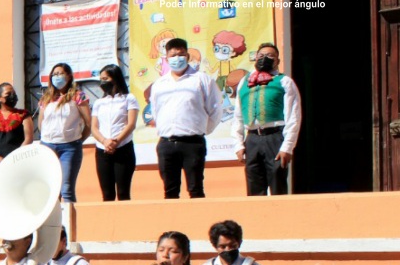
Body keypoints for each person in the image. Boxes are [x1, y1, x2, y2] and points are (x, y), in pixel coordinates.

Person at [150, 37, 222, 199]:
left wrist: (203, 130)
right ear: (167, 58)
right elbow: (156, 110)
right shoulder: (160, 84)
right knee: (170, 191)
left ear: (188, 56)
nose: (177, 58)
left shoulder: (202, 79)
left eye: (181, 54)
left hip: (193, 143)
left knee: (195, 189)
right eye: (173, 55)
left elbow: (216, 108)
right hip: (166, 144)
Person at [232, 42, 302, 196]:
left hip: (275, 137)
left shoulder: (284, 82)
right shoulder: (245, 82)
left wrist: (287, 147)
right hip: (252, 139)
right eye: (261, 55)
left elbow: (293, 117)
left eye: (270, 56)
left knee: (277, 182)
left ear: (277, 61)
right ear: (255, 58)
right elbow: (237, 116)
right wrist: (238, 144)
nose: (265, 58)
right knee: (253, 183)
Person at [38, 63, 91, 204]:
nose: (57, 77)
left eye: (60, 73)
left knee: (66, 189)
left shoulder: (78, 96)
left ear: (68, 76)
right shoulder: (46, 98)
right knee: (51, 190)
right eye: (54, 74)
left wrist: (78, 140)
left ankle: (68, 225)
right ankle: (53, 225)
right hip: (48, 146)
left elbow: (88, 123)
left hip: (69, 147)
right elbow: (41, 122)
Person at [91, 64, 139, 201]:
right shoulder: (99, 103)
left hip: (123, 148)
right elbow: (94, 127)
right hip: (102, 150)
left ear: (115, 78)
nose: (102, 82)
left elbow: (131, 124)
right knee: (107, 194)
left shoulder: (129, 98)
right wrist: (105, 141)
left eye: (105, 78)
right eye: (101, 79)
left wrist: (115, 141)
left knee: (123, 192)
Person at [0, 82, 33, 173]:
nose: (12, 96)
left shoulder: (23, 115)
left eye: (13, 93)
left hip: (19, 162)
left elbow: (28, 138)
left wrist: (17, 157)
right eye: (8, 94)